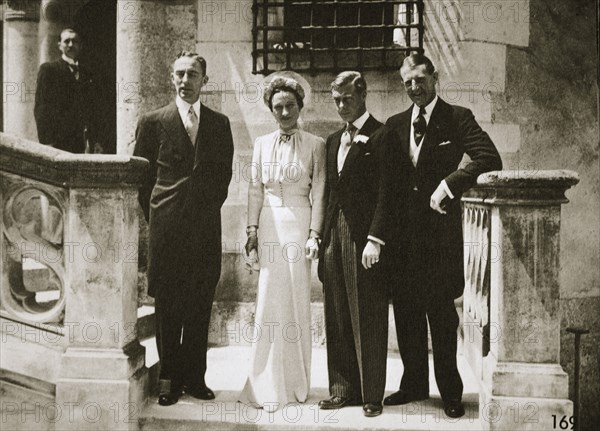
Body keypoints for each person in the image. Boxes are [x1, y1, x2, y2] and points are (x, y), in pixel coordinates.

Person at [381, 53, 502, 418]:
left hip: (439, 240)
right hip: (403, 242)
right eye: (408, 83)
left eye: (420, 79)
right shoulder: (395, 124)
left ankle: (450, 391)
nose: (414, 88)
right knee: (406, 313)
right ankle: (413, 383)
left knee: (441, 318)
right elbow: (386, 184)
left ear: (435, 77)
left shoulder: (457, 117)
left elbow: (489, 158)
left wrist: (450, 184)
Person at [134, 51, 234, 406]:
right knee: (168, 306)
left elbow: (223, 177)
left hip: (205, 229)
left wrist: (202, 210)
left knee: (198, 304)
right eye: (179, 73)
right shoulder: (152, 121)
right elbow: (143, 181)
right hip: (167, 230)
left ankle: (195, 377)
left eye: (193, 74)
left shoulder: (219, 124)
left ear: (204, 81)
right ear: (171, 78)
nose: (185, 79)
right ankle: (168, 379)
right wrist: (162, 216)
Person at [240, 75, 326, 412]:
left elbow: (319, 192)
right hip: (268, 226)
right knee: (268, 301)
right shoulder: (261, 143)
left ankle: (294, 382)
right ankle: (264, 383)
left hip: (299, 223)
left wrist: (314, 235)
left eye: (290, 106)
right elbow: (254, 189)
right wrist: (250, 231)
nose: (285, 112)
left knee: (295, 299)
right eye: (278, 107)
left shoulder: (316, 144)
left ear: (300, 107)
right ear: (271, 110)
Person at [317, 71, 391, 418]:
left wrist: (375, 239)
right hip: (335, 236)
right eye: (336, 100)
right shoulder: (332, 140)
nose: (341, 106)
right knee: (337, 314)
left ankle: (372, 394)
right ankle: (342, 389)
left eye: (347, 98)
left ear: (363, 94)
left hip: (365, 239)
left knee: (368, 315)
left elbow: (388, 193)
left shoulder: (382, 134)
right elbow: (330, 193)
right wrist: (321, 237)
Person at [34, 28, 101, 153]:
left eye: (75, 41)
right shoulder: (49, 70)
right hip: (57, 141)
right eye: (67, 41)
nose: (71, 45)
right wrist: (46, 141)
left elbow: (94, 109)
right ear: (59, 46)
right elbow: (42, 106)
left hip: (82, 141)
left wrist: (95, 140)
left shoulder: (87, 73)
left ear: (80, 45)